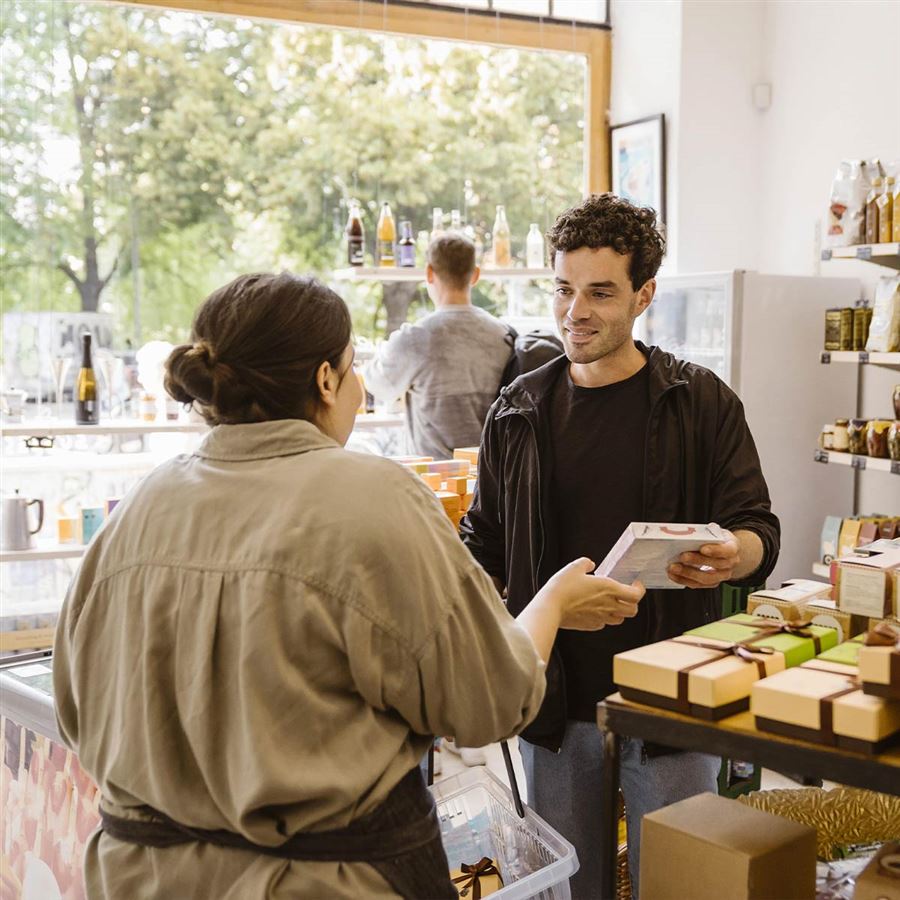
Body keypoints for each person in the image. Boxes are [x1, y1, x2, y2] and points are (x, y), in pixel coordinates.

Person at [53, 271, 646, 899]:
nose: (361, 386)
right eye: (353, 365)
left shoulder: (142, 507)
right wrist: (550, 604)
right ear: (325, 379)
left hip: (138, 879)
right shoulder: (374, 497)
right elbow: (490, 703)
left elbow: (74, 709)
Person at [460, 194, 780, 899]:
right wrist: (523, 613)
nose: (576, 311)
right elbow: (477, 547)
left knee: (679, 885)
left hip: (670, 701)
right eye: (564, 289)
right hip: (554, 705)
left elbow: (759, 526)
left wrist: (735, 552)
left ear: (644, 295)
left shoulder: (701, 402)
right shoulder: (516, 411)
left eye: (600, 292)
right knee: (570, 889)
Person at [364, 233, 511, 460]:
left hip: (435, 480)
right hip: (490, 477)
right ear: (476, 275)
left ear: (429, 273)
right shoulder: (503, 335)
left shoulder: (414, 339)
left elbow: (377, 385)